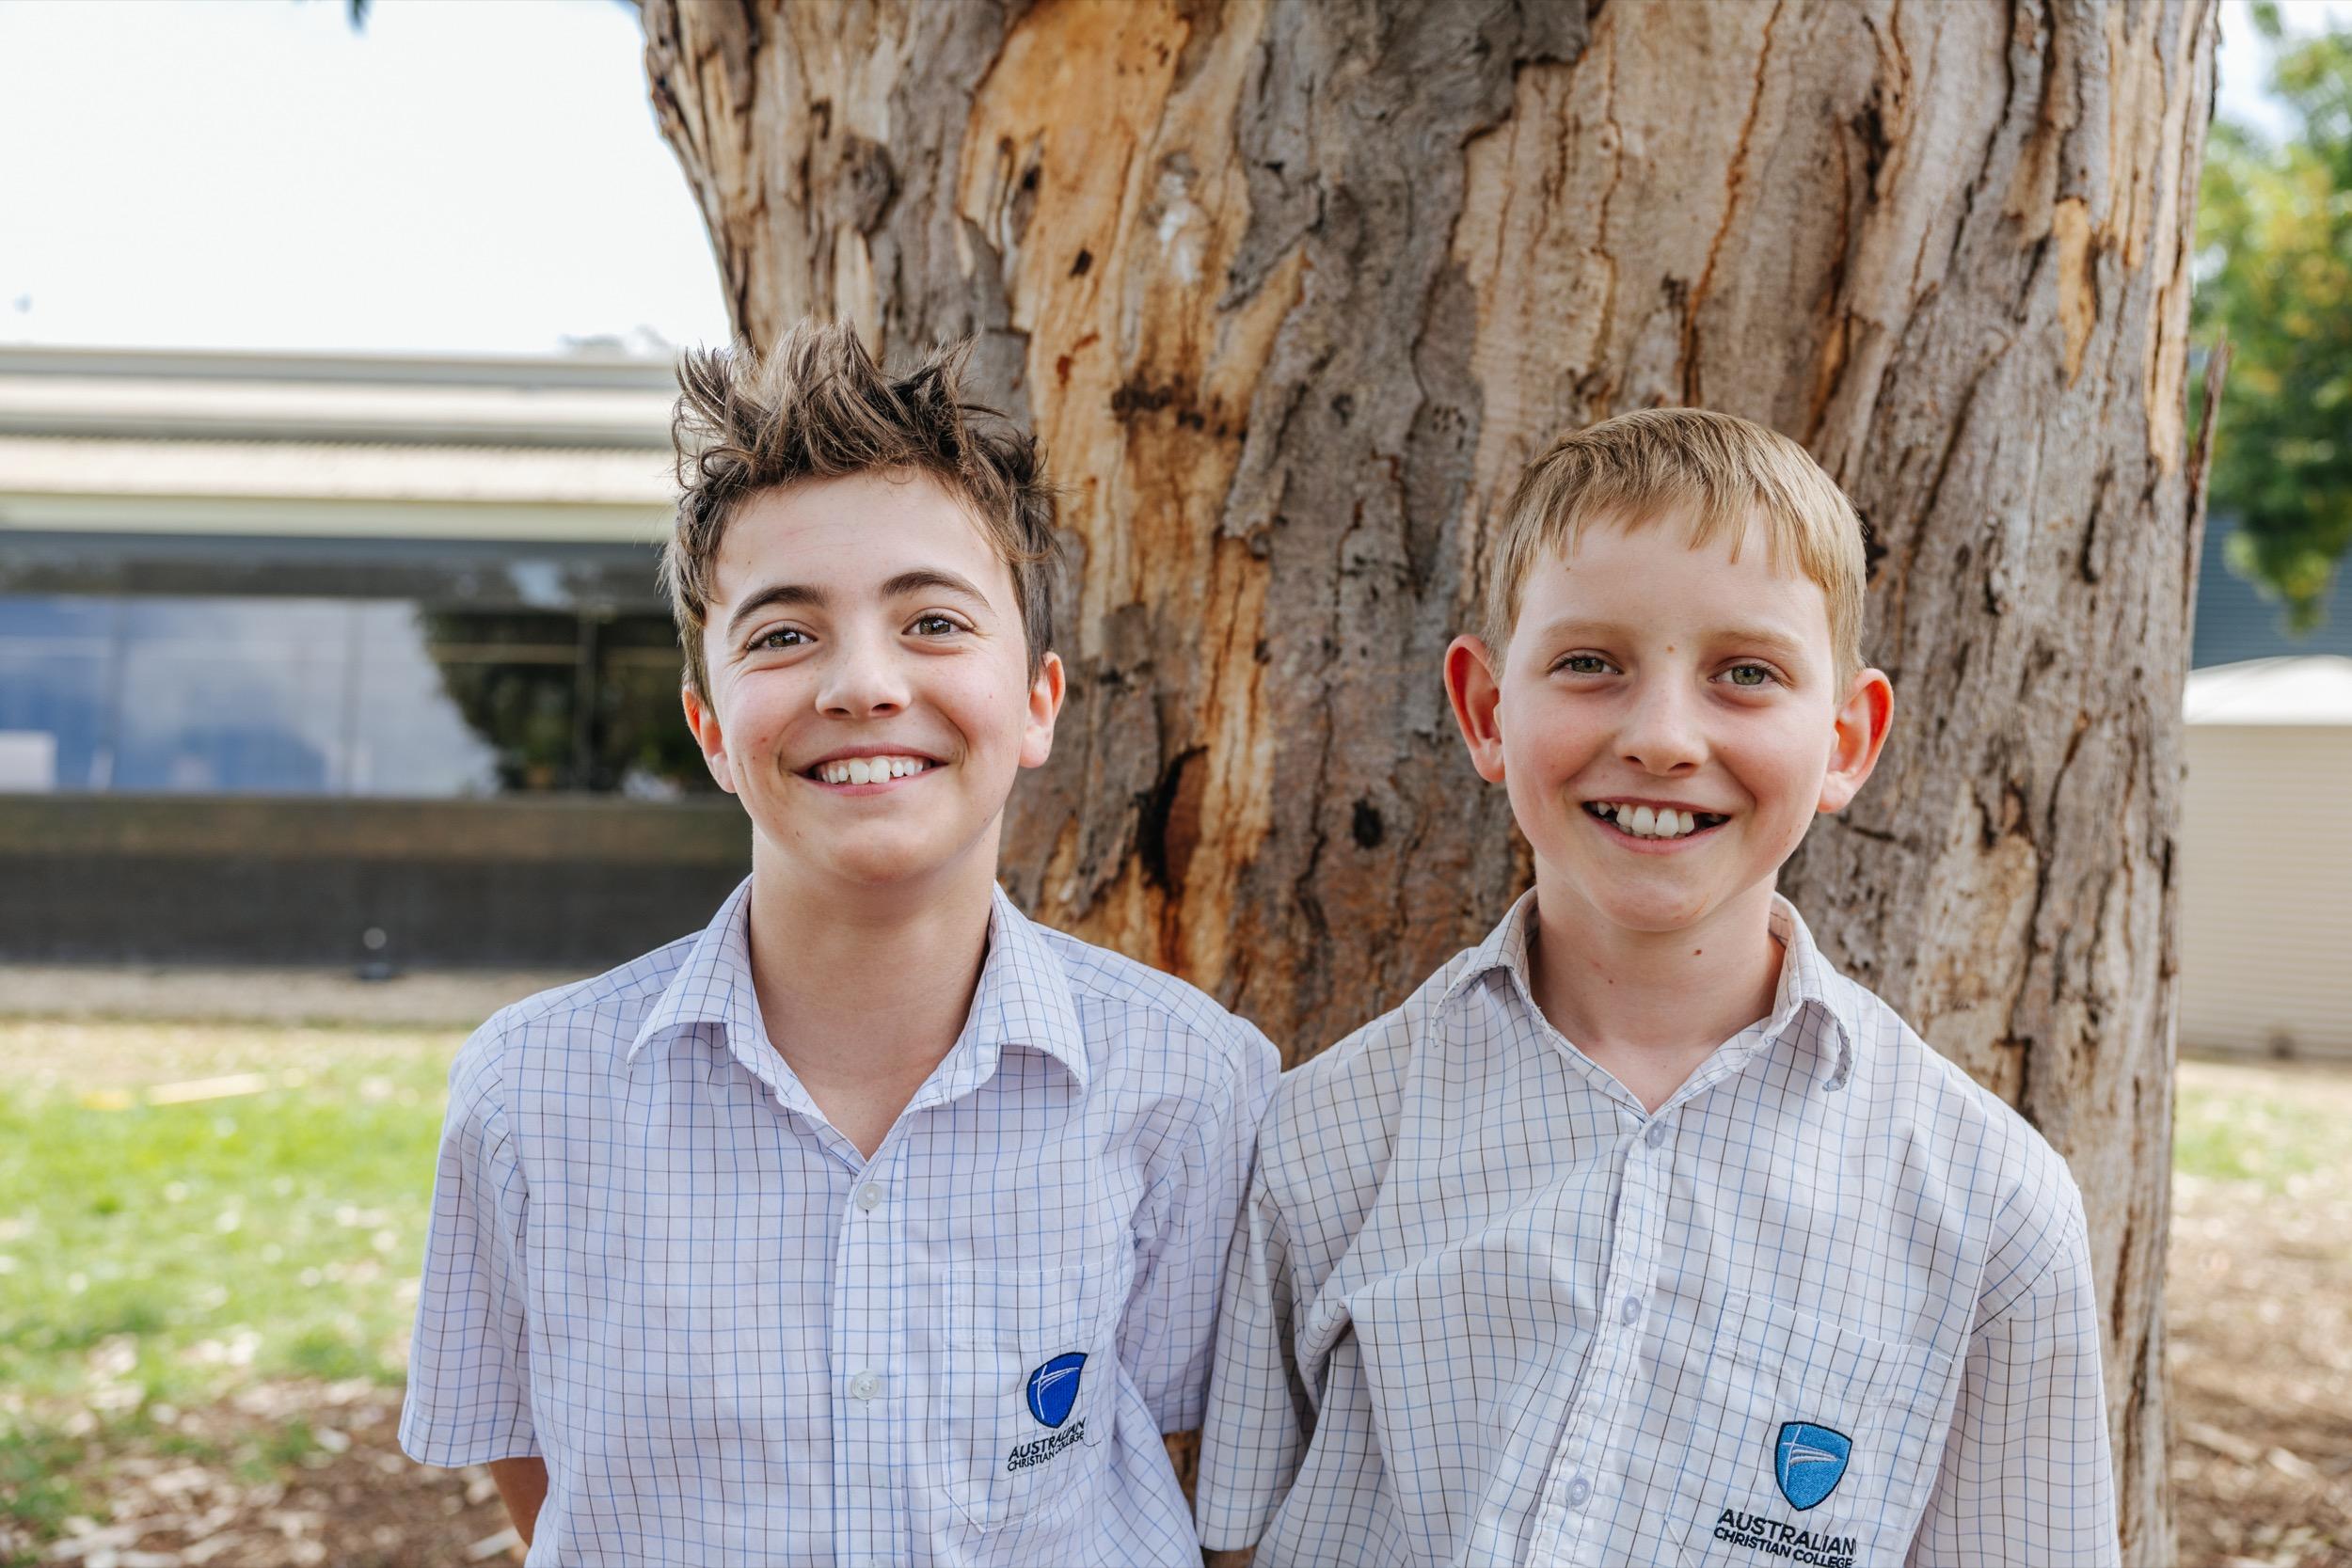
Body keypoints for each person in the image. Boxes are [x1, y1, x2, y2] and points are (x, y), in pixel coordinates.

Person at [398, 321, 1278, 1566]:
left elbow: (1202, 1472)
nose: (862, 682)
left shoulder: (1191, 1080)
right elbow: (550, 1477)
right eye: (781, 632)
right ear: (710, 728)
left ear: (1037, 701)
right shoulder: (531, 1092)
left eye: (932, 622)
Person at [1194, 408, 2120, 1568]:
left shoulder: (1989, 1211)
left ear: (1845, 738)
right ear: (1486, 710)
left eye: (1746, 672)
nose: (1664, 736)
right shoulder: (1327, 1138)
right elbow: (1229, 1541)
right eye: (1590, 662)